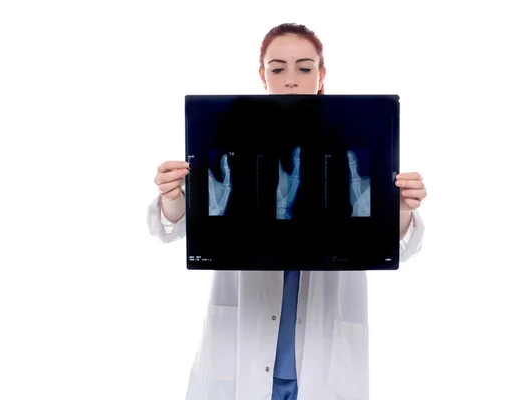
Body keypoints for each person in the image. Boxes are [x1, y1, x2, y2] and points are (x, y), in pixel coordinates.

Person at [148, 23, 427, 400]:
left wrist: (402, 208)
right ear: (262, 76)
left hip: (324, 364)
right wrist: (172, 196)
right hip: (241, 352)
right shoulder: (226, 135)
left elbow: (398, 245)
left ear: (321, 74)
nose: (292, 80)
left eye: (304, 67)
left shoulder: (358, 140)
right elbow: (173, 227)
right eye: (278, 68)